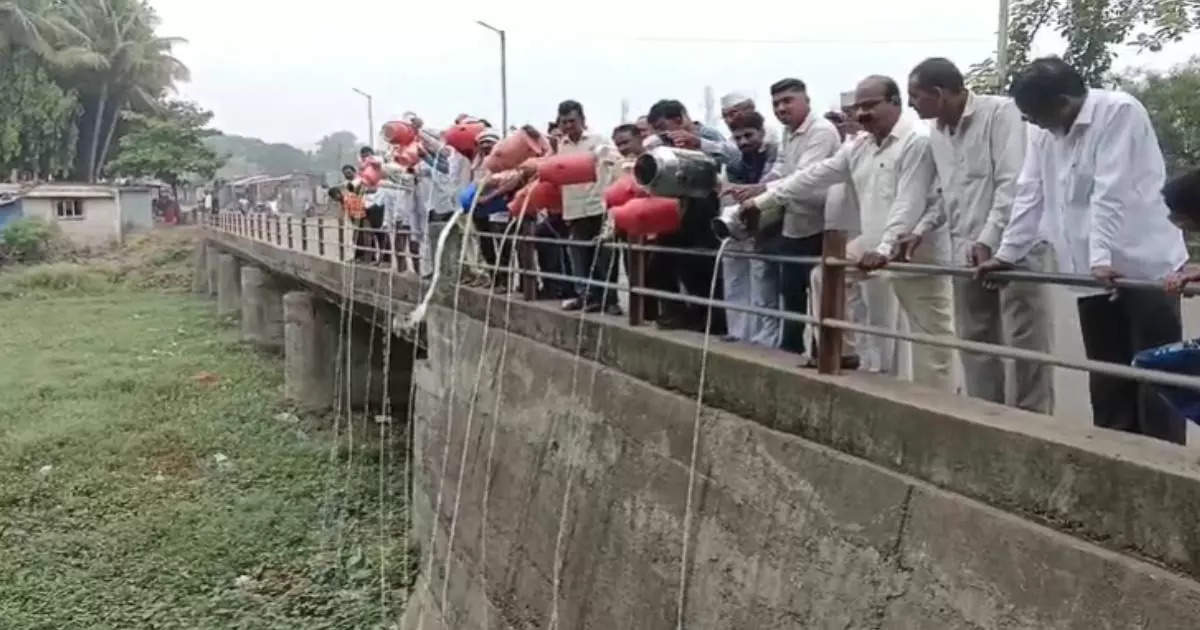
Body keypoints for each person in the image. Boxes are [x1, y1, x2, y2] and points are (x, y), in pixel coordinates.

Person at [978, 57, 1190, 443]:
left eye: (1034, 114)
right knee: (1108, 376)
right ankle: (1114, 458)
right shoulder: (1045, 132)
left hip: (1144, 267)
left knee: (1155, 376)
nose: (1031, 123)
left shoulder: (1119, 112)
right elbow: (1031, 192)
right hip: (1089, 273)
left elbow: (1111, 189)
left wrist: (1102, 257)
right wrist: (1007, 252)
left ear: (1061, 102)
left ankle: (1163, 465)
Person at [739, 75, 956, 392]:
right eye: (859, 108)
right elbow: (813, 175)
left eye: (871, 105)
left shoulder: (916, 142)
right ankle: (840, 352)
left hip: (915, 246)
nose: (863, 113)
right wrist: (763, 200)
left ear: (894, 102)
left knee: (930, 334)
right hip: (873, 242)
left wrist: (884, 249)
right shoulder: (860, 146)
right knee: (826, 274)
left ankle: (942, 404)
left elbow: (908, 204)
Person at [906, 57, 1053, 414]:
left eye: (915, 96)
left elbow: (1013, 184)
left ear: (939, 93)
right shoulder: (937, 132)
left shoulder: (1001, 114)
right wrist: (921, 229)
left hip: (1016, 245)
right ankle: (985, 415)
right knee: (975, 339)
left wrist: (988, 239)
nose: (911, 104)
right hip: (966, 248)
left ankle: (1033, 423)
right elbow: (947, 192)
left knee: (1026, 343)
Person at [728, 78, 841, 356]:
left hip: (821, 223)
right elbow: (781, 168)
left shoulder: (822, 131)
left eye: (788, 101)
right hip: (794, 222)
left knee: (820, 294)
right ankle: (789, 351)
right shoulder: (789, 132)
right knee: (791, 292)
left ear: (806, 101)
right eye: (776, 103)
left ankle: (821, 355)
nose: (781, 108)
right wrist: (758, 187)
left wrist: (760, 197)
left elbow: (804, 177)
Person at [643, 99, 735, 332]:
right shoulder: (664, 144)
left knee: (703, 265)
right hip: (680, 208)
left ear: (679, 120)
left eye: (665, 127)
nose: (663, 134)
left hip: (708, 208)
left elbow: (727, 165)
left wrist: (698, 145)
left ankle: (713, 320)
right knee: (665, 261)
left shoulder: (710, 136)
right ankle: (680, 312)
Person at [556, 100, 621, 314]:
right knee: (580, 255)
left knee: (605, 255)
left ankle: (610, 301)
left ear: (583, 120)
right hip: (574, 208)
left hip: (598, 204)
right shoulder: (561, 145)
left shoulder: (599, 140)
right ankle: (588, 297)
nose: (568, 126)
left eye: (572, 121)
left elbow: (615, 164)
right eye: (564, 122)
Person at [721, 110, 779, 345]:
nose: (744, 142)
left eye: (749, 135)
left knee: (763, 285)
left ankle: (765, 338)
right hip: (738, 225)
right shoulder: (735, 161)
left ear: (761, 133)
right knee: (735, 283)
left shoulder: (774, 154)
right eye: (738, 138)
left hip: (768, 226)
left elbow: (772, 186)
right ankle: (737, 331)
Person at [358, 146, 391, 264]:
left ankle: (385, 259)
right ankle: (372, 258)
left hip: (378, 202)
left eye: (367, 154)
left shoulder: (377, 163)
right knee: (368, 232)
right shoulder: (362, 169)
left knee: (380, 232)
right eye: (363, 155)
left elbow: (380, 180)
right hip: (366, 203)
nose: (365, 157)